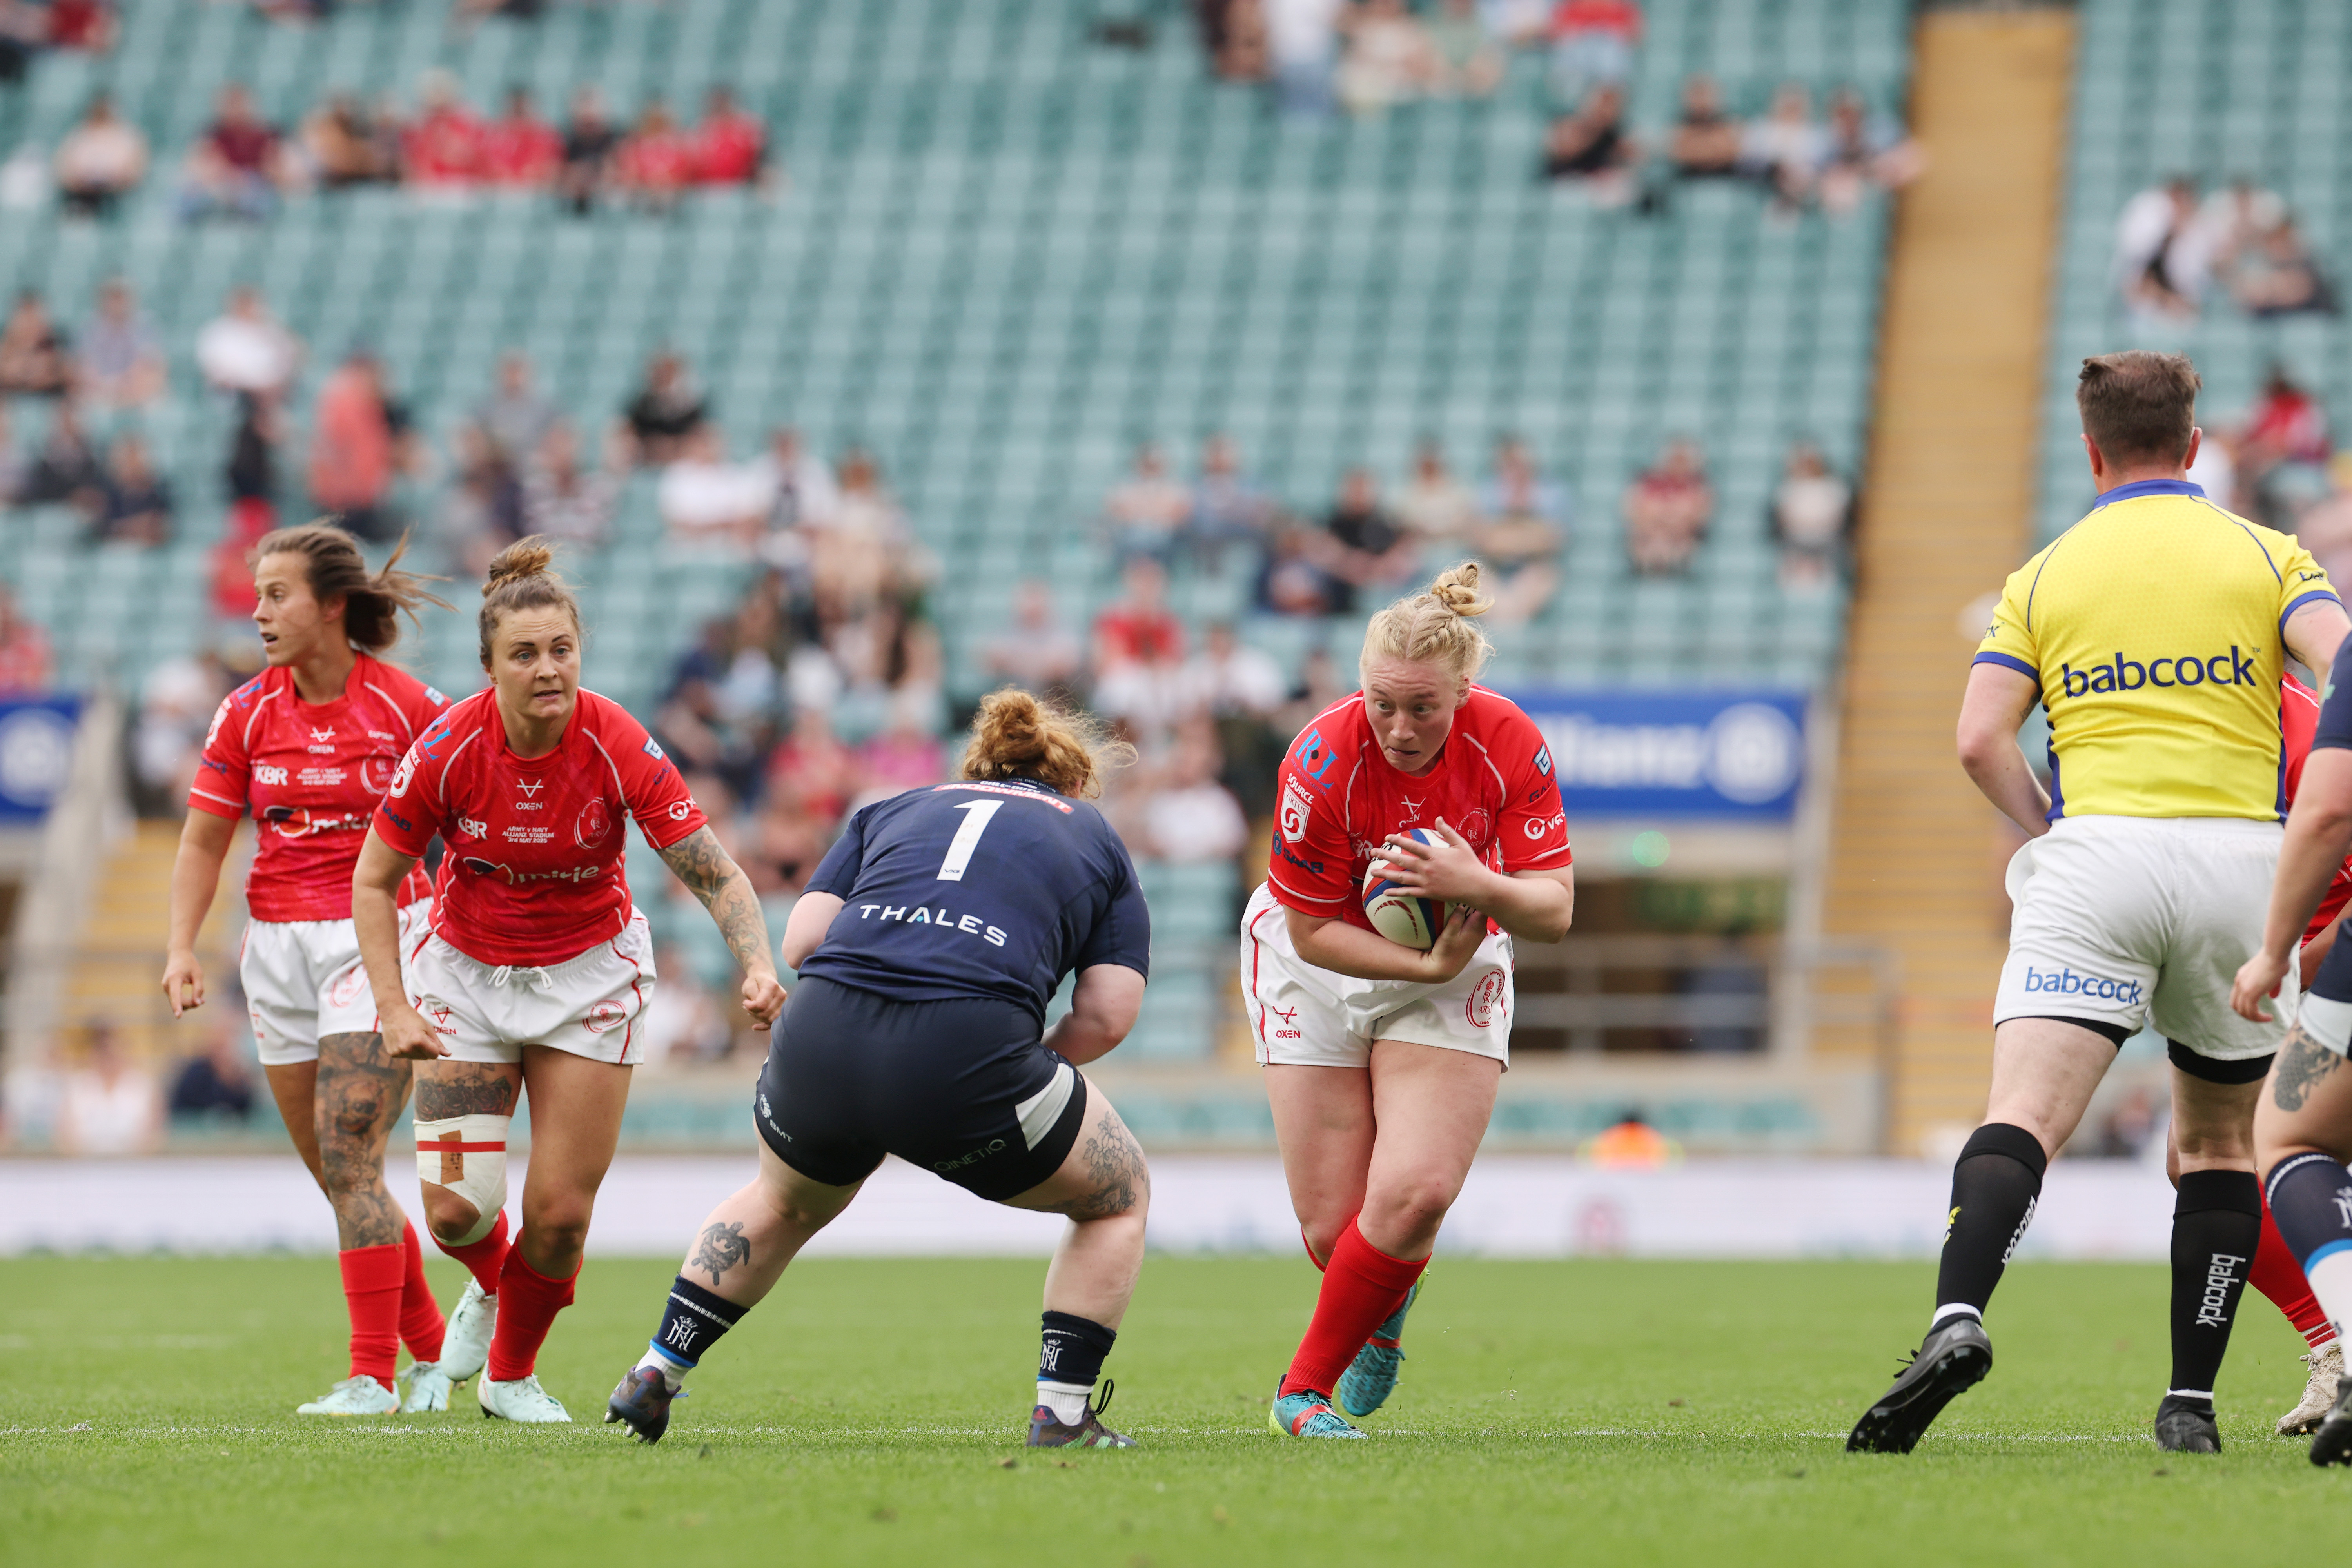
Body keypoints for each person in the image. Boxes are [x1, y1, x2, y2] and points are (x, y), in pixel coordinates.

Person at [1849, 350, 2351, 1457]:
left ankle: (1957, 1315)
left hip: (2096, 857)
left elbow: (1978, 739)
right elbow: (2342, 659)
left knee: (2023, 1114)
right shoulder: (2269, 554)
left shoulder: (2044, 574)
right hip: (2239, 862)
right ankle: (2189, 1404)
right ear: (2195, 442)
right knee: (2219, 1147)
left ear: (2090, 449)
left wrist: (2049, 829)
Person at [602, 688, 1154, 1450]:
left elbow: (801, 943)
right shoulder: (1093, 834)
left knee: (783, 1198)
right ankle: (1061, 1413)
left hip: (820, 1034)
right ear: (1069, 781)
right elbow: (1109, 1014)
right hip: (968, 1051)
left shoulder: (894, 806)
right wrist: (1013, 1068)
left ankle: (655, 1370)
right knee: (1118, 1196)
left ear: (977, 766)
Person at [354, 540, 786, 1424]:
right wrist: (392, 1004)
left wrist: (757, 961)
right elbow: (372, 878)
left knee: (558, 1216)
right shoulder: (446, 746)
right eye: (525, 653)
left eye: (562, 649)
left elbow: (713, 870)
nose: (547, 667)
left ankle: (510, 1374)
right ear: (489, 667)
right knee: (454, 1214)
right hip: (465, 973)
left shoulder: (616, 736)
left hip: (589, 977)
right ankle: (493, 1284)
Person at [1241, 563, 1573, 1438]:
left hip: (1456, 952)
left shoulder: (1510, 742)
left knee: (1417, 1192)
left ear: (1464, 691)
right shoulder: (1318, 759)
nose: (1399, 726)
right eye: (1382, 702)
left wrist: (1477, 881)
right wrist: (1417, 968)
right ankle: (1383, 1310)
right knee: (1334, 1228)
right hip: (1319, 964)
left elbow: (1555, 908)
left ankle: (1300, 1392)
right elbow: (1311, 931)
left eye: (1423, 707)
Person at [161, 522, 459, 1416]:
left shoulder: (410, 706)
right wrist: (181, 944)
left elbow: (470, 812)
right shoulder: (246, 710)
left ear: (333, 605)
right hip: (276, 948)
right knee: (341, 1171)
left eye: (276, 594)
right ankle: (438, 1357)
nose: (258, 613)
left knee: (351, 1156)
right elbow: (205, 835)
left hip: (376, 939)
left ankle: (372, 1378)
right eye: (256, 596)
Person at [53, 93, 148, 217]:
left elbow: (136, 169)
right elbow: (64, 169)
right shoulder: (79, 135)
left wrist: (114, 180)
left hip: (117, 193)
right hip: (82, 192)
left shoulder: (127, 136)